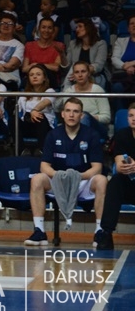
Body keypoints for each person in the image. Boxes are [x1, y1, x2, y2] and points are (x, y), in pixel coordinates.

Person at [23, 97, 108, 246]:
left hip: (83, 181)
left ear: (81, 115)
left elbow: (97, 167)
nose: (71, 115)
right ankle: (39, 231)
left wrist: (77, 176)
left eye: (76, 111)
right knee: (37, 179)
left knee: (101, 180)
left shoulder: (91, 135)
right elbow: (44, 166)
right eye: (68, 111)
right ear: (62, 114)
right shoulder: (53, 134)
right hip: (58, 180)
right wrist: (59, 175)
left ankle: (100, 231)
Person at [97, 102, 135, 250]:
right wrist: (122, 166)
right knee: (115, 182)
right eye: (131, 115)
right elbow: (118, 159)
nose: (133, 119)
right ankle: (106, 233)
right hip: (130, 181)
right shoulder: (122, 135)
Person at [58, 62, 111, 141]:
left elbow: (106, 117)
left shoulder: (97, 90)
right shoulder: (69, 91)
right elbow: (66, 115)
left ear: (88, 73)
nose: (80, 75)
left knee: (84, 116)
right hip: (73, 126)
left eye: (83, 71)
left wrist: (86, 117)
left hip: (97, 129)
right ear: (73, 75)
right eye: (77, 72)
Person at [18, 64, 56, 154]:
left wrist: (34, 110)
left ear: (44, 78)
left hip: (44, 126)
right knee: (13, 120)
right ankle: (22, 150)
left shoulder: (50, 91)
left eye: (38, 74)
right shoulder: (24, 95)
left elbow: (45, 102)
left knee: (39, 116)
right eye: (31, 75)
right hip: (28, 125)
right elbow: (20, 113)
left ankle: (41, 150)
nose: (34, 77)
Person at [62, 17, 109, 90]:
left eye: (80, 26)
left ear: (88, 28)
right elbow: (67, 67)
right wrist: (61, 54)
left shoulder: (101, 44)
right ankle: (66, 93)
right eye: (76, 27)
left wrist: (82, 72)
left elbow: (98, 66)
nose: (77, 29)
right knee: (73, 66)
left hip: (95, 75)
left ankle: (65, 93)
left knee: (76, 67)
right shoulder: (73, 44)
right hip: (75, 77)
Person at [21, 17, 66, 89]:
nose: (46, 30)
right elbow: (25, 69)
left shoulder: (59, 46)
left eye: (49, 28)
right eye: (43, 27)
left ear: (53, 30)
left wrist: (36, 64)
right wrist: (45, 66)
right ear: (39, 29)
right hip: (32, 82)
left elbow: (56, 68)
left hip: (51, 82)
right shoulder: (29, 45)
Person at [110, 13, 135, 94]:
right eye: (132, 23)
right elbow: (114, 58)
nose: (134, 25)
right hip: (124, 74)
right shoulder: (120, 41)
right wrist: (125, 66)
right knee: (117, 87)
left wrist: (131, 63)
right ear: (128, 29)